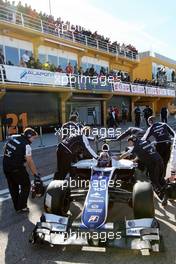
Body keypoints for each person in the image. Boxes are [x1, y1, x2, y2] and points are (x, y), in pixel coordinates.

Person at [120, 136, 166, 203]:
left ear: (131, 141)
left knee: (154, 180)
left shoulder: (135, 147)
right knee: (161, 178)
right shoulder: (144, 141)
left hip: (153, 163)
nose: (128, 144)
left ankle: (163, 197)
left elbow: (125, 155)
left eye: (129, 142)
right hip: (159, 160)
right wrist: (134, 160)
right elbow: (141, 153)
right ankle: (168, 192)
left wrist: (117, 159)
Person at [3, 128, 39, 213]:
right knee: (26, 185)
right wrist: (35, 174)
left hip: (6, 166)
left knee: (13, 187)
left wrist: (14, 156)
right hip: (16, 168)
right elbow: (30, 161)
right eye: (33, 138)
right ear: (29, 136)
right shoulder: (26, 145)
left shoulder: (14, 138)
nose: (33, 140)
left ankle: (17, 207)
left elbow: (5, 147)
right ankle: (22, 207)